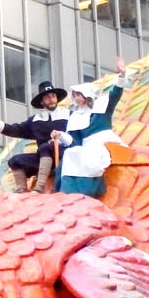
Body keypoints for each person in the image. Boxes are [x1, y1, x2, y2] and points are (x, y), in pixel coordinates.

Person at [52, 57, 128, 198]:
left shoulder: (101, 106)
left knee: (90, 156)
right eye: (74, 95)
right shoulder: (75, 116)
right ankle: (68, 192)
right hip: (85, 145)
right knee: (70, 154)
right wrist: (60, 135)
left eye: (78, 95)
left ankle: (89, 190)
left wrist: (122, 75)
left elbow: (116, 94)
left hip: (103, 142)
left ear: (86, 96)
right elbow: (74, 141)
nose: (76, 98)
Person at [0, 81, 69, 193]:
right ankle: (22, 189)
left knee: (45, 147)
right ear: (42, 102)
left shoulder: (68, 115)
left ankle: (39, 188)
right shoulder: (35, 120)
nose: (51, 99)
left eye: (53, 96)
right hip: (43, 158)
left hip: (64, 155)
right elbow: (12, 129)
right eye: (47, 97)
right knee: (15, 161)